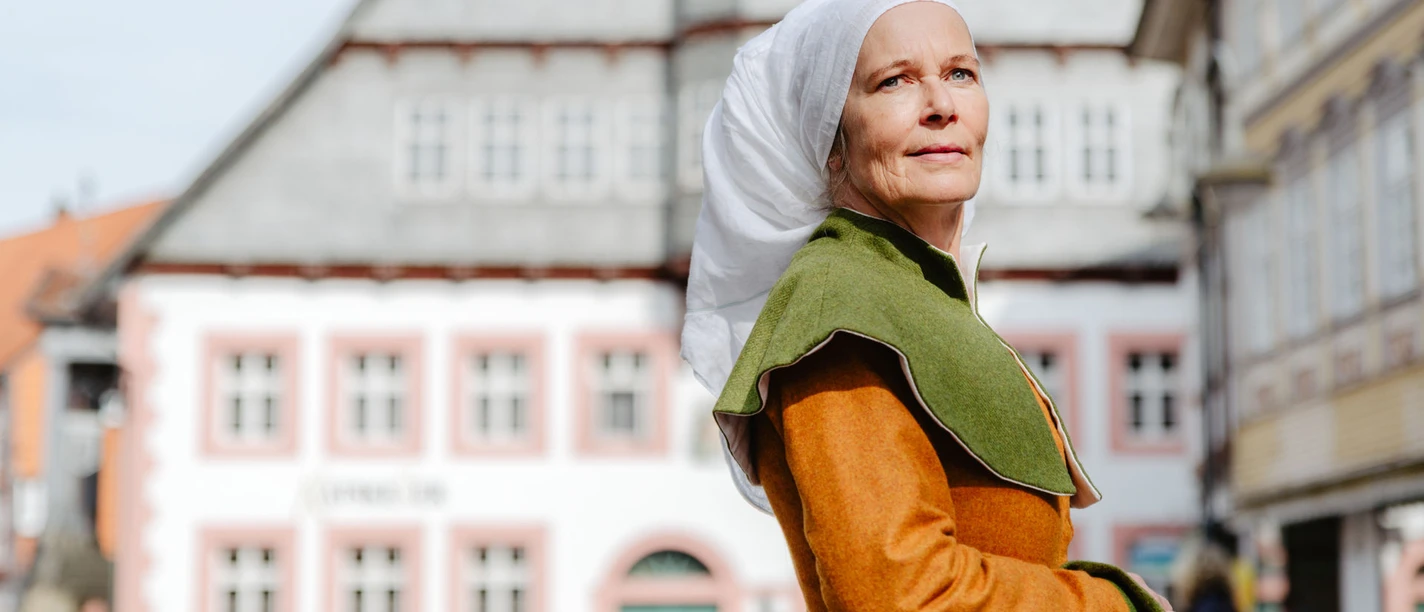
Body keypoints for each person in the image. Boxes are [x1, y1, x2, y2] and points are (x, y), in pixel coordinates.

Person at [681, 1, 1174, 610]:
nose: (942, 104)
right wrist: (1113, 602)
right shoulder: (842, 305)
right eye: (895, 81)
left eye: (961, 73)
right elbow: (902, 592)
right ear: (831, 139)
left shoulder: (916, 292)